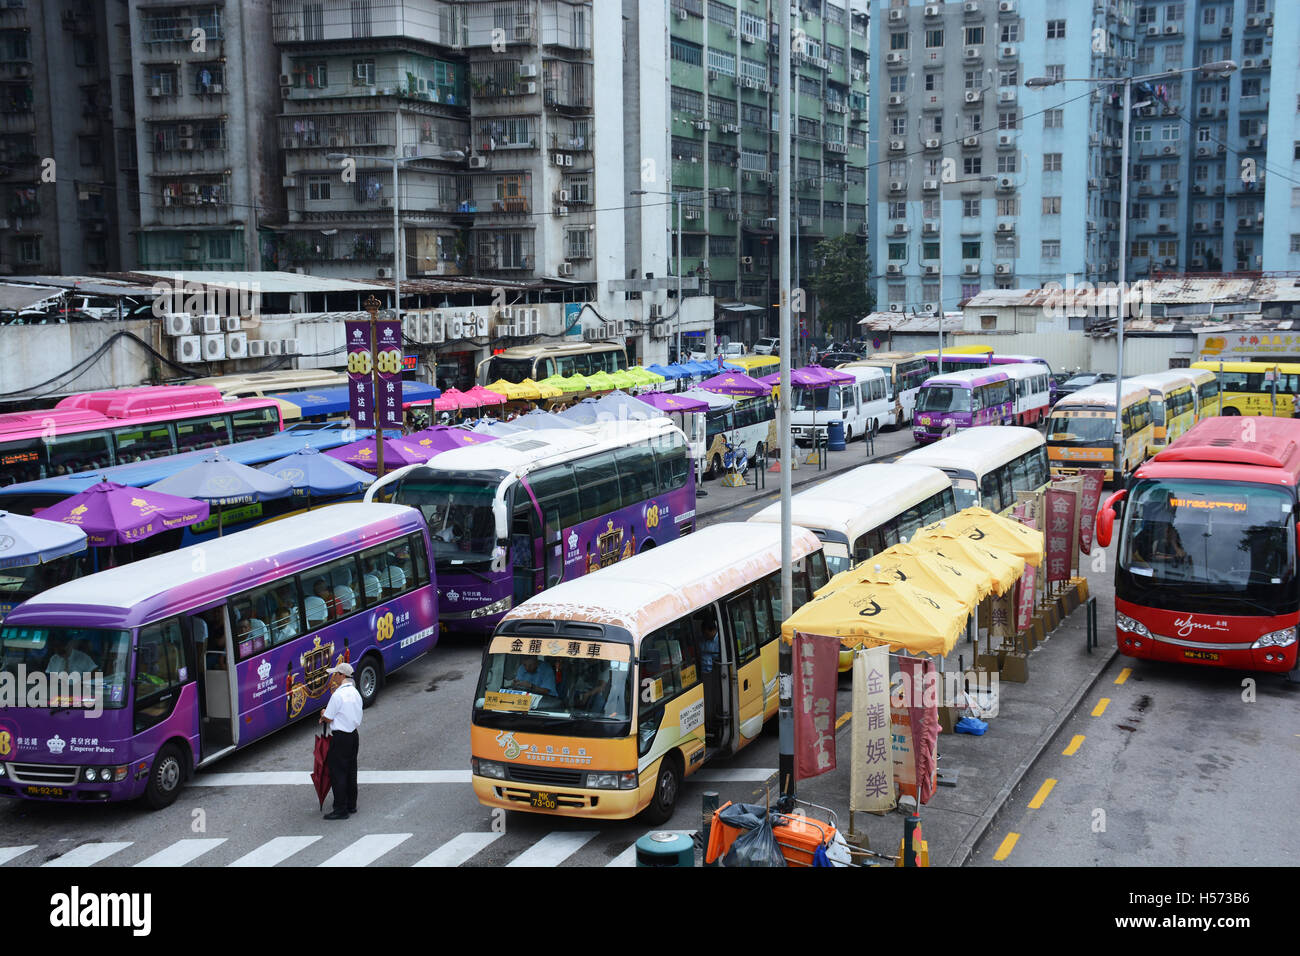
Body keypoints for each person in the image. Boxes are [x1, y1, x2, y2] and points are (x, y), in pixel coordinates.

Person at [320, 662, 363, 820]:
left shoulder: (337, 695)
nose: (334, 677)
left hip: (340, 737)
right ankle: (351, 804)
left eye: (336, 674)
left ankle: (340, 809)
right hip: (353, 735)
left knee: (338, 772)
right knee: (351, 770)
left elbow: (329, 717)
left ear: (342, 675)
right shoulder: (356, 693)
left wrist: (323, 713)